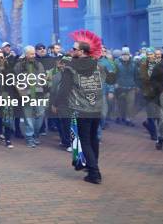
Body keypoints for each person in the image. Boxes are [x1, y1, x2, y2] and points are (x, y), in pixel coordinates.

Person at [53, 30, 114, 184]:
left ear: (81, 52)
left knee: (84, 140)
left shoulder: (70, 68)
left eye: (74, 49)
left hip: (81, 109)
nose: (71, 51)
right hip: (96, 108)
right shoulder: (99, 66)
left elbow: (64, 90)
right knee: (93, 139)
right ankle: (92, 166)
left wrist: (55, 103)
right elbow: (112, 79)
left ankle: (94, 172)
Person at [14, 46, 47, 148]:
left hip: (39, 94)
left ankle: (35, 135)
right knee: (28, 118)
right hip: (26, 95)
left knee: (40, 115)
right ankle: (29, 138)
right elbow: (14, 80)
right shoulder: (19, 66)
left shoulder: (39, 64)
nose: (33, 55)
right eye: (31, 54)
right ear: (26, 54)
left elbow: (43, 78)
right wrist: (20, 91)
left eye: (34, 54)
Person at [114, 47, 137, 126]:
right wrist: (115, 83)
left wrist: (137, 86)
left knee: (130, 104)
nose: (125, 56)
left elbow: (136, 76)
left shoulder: (134, 63)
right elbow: (114, 75)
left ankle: (129, 119)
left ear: (129, 55)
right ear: (121, 55)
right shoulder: (117, 63)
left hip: (131, 87)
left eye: (126, 54)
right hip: (120, 87)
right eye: (123, 54)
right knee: (120, 104)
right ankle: (120, 117)